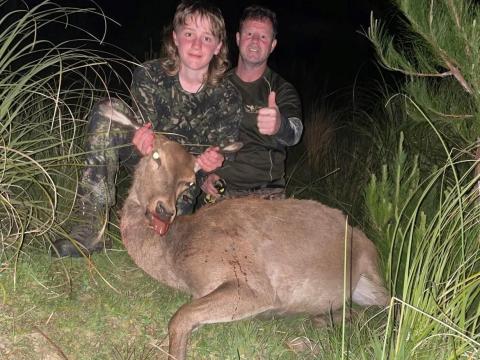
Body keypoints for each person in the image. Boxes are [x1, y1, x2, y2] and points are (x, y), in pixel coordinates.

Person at [51, 0, 242, 257]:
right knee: (109, 111)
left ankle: (148, 219)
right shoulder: (149, 74)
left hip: (183, 177)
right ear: (175, 38)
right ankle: (91, 224)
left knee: (163, 242)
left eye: (207, 38)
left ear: (218, 46)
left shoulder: (227, 95)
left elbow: (228, 146)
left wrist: (217, 158)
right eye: (189, 34)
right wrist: (140, 138)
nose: (197, 45)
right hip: (148, 159)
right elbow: (144, 129)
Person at [200, 5, 302, 201]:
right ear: (238, 39)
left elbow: (295, 133)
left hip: (266, 193)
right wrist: (203, 177)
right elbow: (197, 137)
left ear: (272, 45)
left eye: (263, 37)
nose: (255, 41)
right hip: (221, 190)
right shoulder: (215, 86)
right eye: (249, 34)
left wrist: (280, 125)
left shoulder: (281, 89)